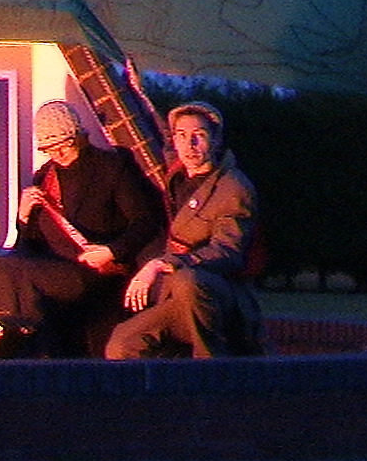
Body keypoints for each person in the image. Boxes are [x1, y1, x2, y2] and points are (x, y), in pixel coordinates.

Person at [0, 100, 163, 356]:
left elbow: (146, 221)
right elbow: (29, 245)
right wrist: (23, 217)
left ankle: (19, 354)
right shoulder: (44, 178)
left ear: (79, 136)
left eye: (65, 145)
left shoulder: (111, 167)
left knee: (10, 271)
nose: (58, 154)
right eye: (50, 149)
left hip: (90, 270)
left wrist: (112, 251)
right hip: (48, 266)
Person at [104, 102, 265, 360]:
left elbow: (227, 251)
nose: (189, 145)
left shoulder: (233, 187)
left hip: (217, 294)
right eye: (181, 136)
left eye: (199, 136)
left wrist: (163, 263)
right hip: (176, 295)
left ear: (216, 140)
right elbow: (155, 131)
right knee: (123, 343)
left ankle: (209, 364)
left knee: (186, 279)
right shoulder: (177, 176)